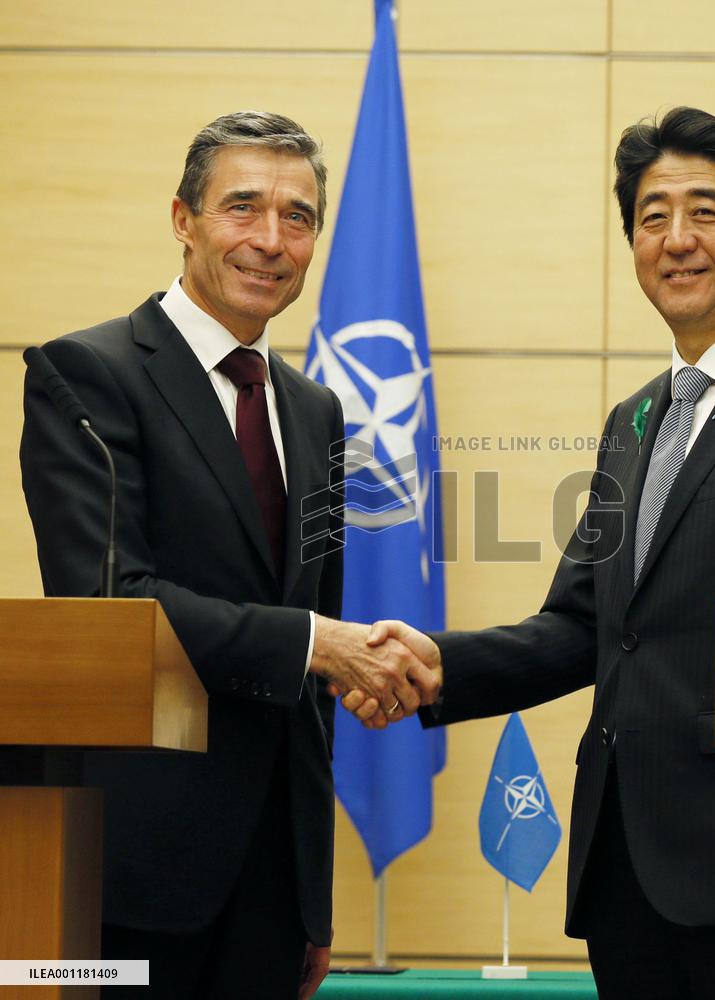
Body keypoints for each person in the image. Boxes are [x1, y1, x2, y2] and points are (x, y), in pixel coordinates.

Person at [338, 107, 715, 998]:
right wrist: (437, 667)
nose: (675, 239)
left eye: (705, 212)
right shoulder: (637, 419)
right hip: (626, 875)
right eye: (652, 217)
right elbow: (587, 627)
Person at [20, 111, 438, 1000]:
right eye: (242, 207)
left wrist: (312, 899)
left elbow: (314, 684)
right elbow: (113, 601)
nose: (271, 240)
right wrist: (316, 644)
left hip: (272, 886)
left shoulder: (316, 411)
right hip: (129, 871)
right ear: (183, 219)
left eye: (298, 217)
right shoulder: (85, 372)